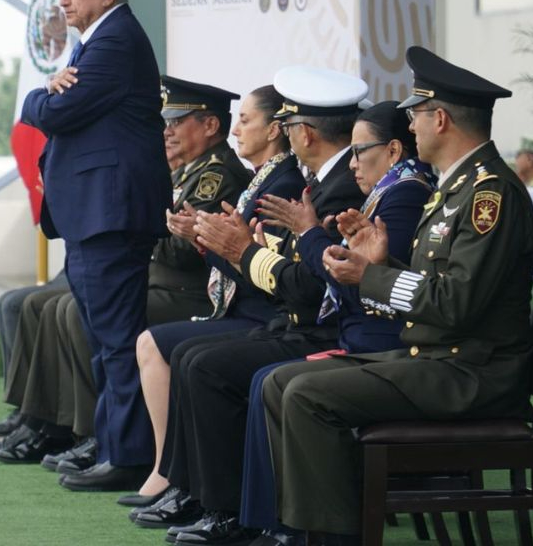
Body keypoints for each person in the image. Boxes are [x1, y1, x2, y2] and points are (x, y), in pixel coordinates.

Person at [260, 46, 533, 546]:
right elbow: (440, 289)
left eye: (414, 116)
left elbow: (455, 303)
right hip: (437, 357)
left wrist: (370, 276)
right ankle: (312, 533)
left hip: (469, 372)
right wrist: (381, 265)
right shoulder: (457, 189)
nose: (408, 128)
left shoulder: (487, 195)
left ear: (441, 119)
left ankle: (333, 539)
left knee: (305, 395)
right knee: (281, 382)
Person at [129, 67, 369, 542]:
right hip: (293, 316)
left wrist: (241, 249)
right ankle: (206, 495)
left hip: (317, 328)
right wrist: (236, 246)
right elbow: (286, 263)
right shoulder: (316, 181)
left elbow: (306, 284)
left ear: (301, 131)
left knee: (205, 365)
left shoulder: (332, 188)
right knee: (193, 357)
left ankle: (227, 508)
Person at [0, 78, 251, 487]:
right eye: (163, 121)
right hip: (155, 280)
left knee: (81, 312)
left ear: (210, 126)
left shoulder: (217, 177)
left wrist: (134, 232)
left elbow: (188, 252)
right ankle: (82, 429)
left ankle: (104, 437)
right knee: (72, 308)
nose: (166, 130)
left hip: (189, 292)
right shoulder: (179, 170)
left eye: (178, 120)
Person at [236, 101, 436, 545]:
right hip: (371, 336)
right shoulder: (387, 192)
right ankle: (278, 526)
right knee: (270, 381)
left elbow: (350, 285)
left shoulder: (404, 194)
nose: (351, 161)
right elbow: (356, 279)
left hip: (388, 344)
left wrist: (310, 235)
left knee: (291, 387)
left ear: (392, 150)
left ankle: (312, 532)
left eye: (359, 150)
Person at [20, 0, 172, 488]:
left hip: (110, 215)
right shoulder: (95, 41)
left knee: (116, 339)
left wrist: (39, 95)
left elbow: (58, 111)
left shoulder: (113, 40)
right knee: (105, 340)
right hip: (93, 214)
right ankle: (110, 443)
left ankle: (128, 457)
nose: (62, 0)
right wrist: (50, 92)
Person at [126, 84, 305, 506]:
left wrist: (208, 242)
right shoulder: (262, 179)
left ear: (276, 130)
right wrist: (208, 241)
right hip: (239, 303)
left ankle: (197, 490)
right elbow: (236, 256)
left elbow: (267, 269)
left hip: (264, 314)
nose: (236, 129)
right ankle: (173, 475)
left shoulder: (280, 184)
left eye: (245, 120)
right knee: (174, 349)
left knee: (189, 356)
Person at [0, 272, 70, 438]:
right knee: (4, 302)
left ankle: (33, 411)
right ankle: (22, 406)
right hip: (72, 264)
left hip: (93, 264)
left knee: (17, 304)